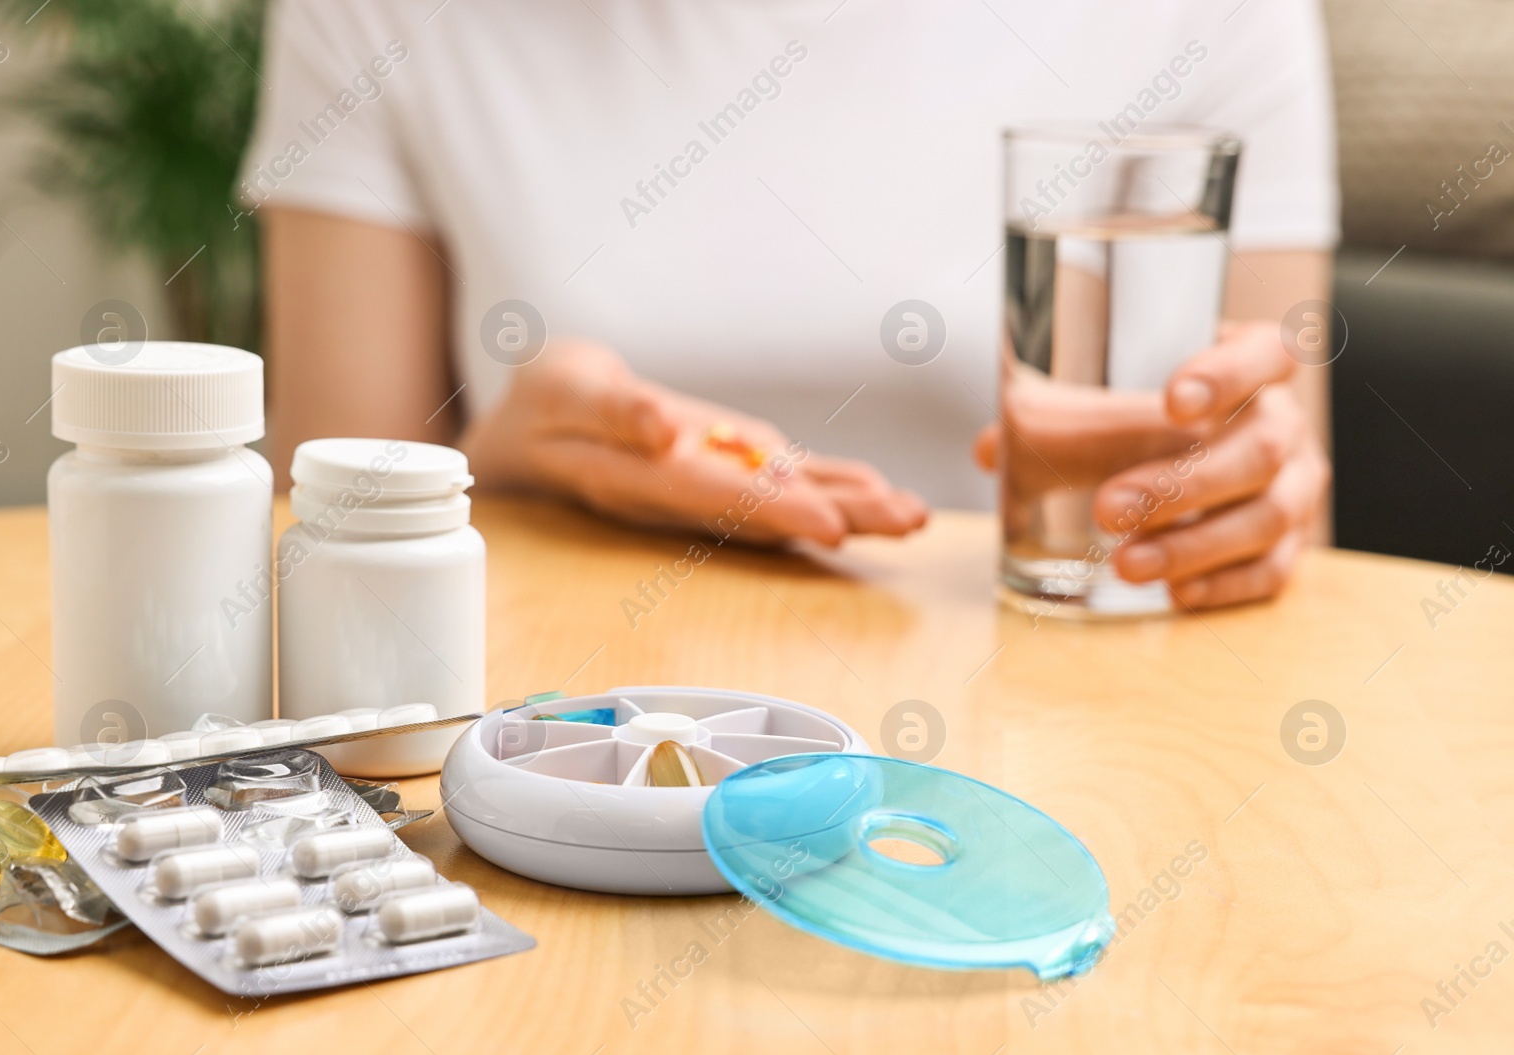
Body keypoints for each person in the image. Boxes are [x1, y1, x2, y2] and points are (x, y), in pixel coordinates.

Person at [241, 0, 1337, 608]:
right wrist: (511, 467)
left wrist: (1243, 495)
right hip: (561, 732)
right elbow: (321, 548)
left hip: (1054, 714)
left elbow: (1277, 514)